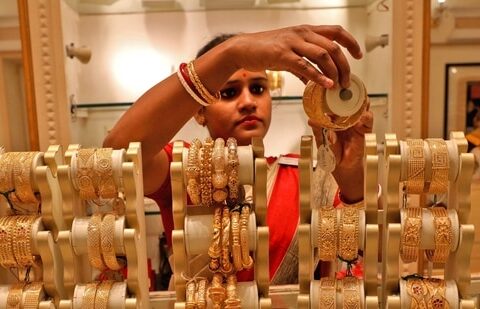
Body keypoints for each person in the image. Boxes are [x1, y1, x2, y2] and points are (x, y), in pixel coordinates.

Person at [103, 25, 373, 285]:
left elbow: (375, 249)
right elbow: (115, 158)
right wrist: (232, 52)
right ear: (198, 111)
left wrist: (352, 180)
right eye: (229, 92)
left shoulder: (305, 175)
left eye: (258, 89)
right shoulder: (183, 170)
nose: (248, 102)